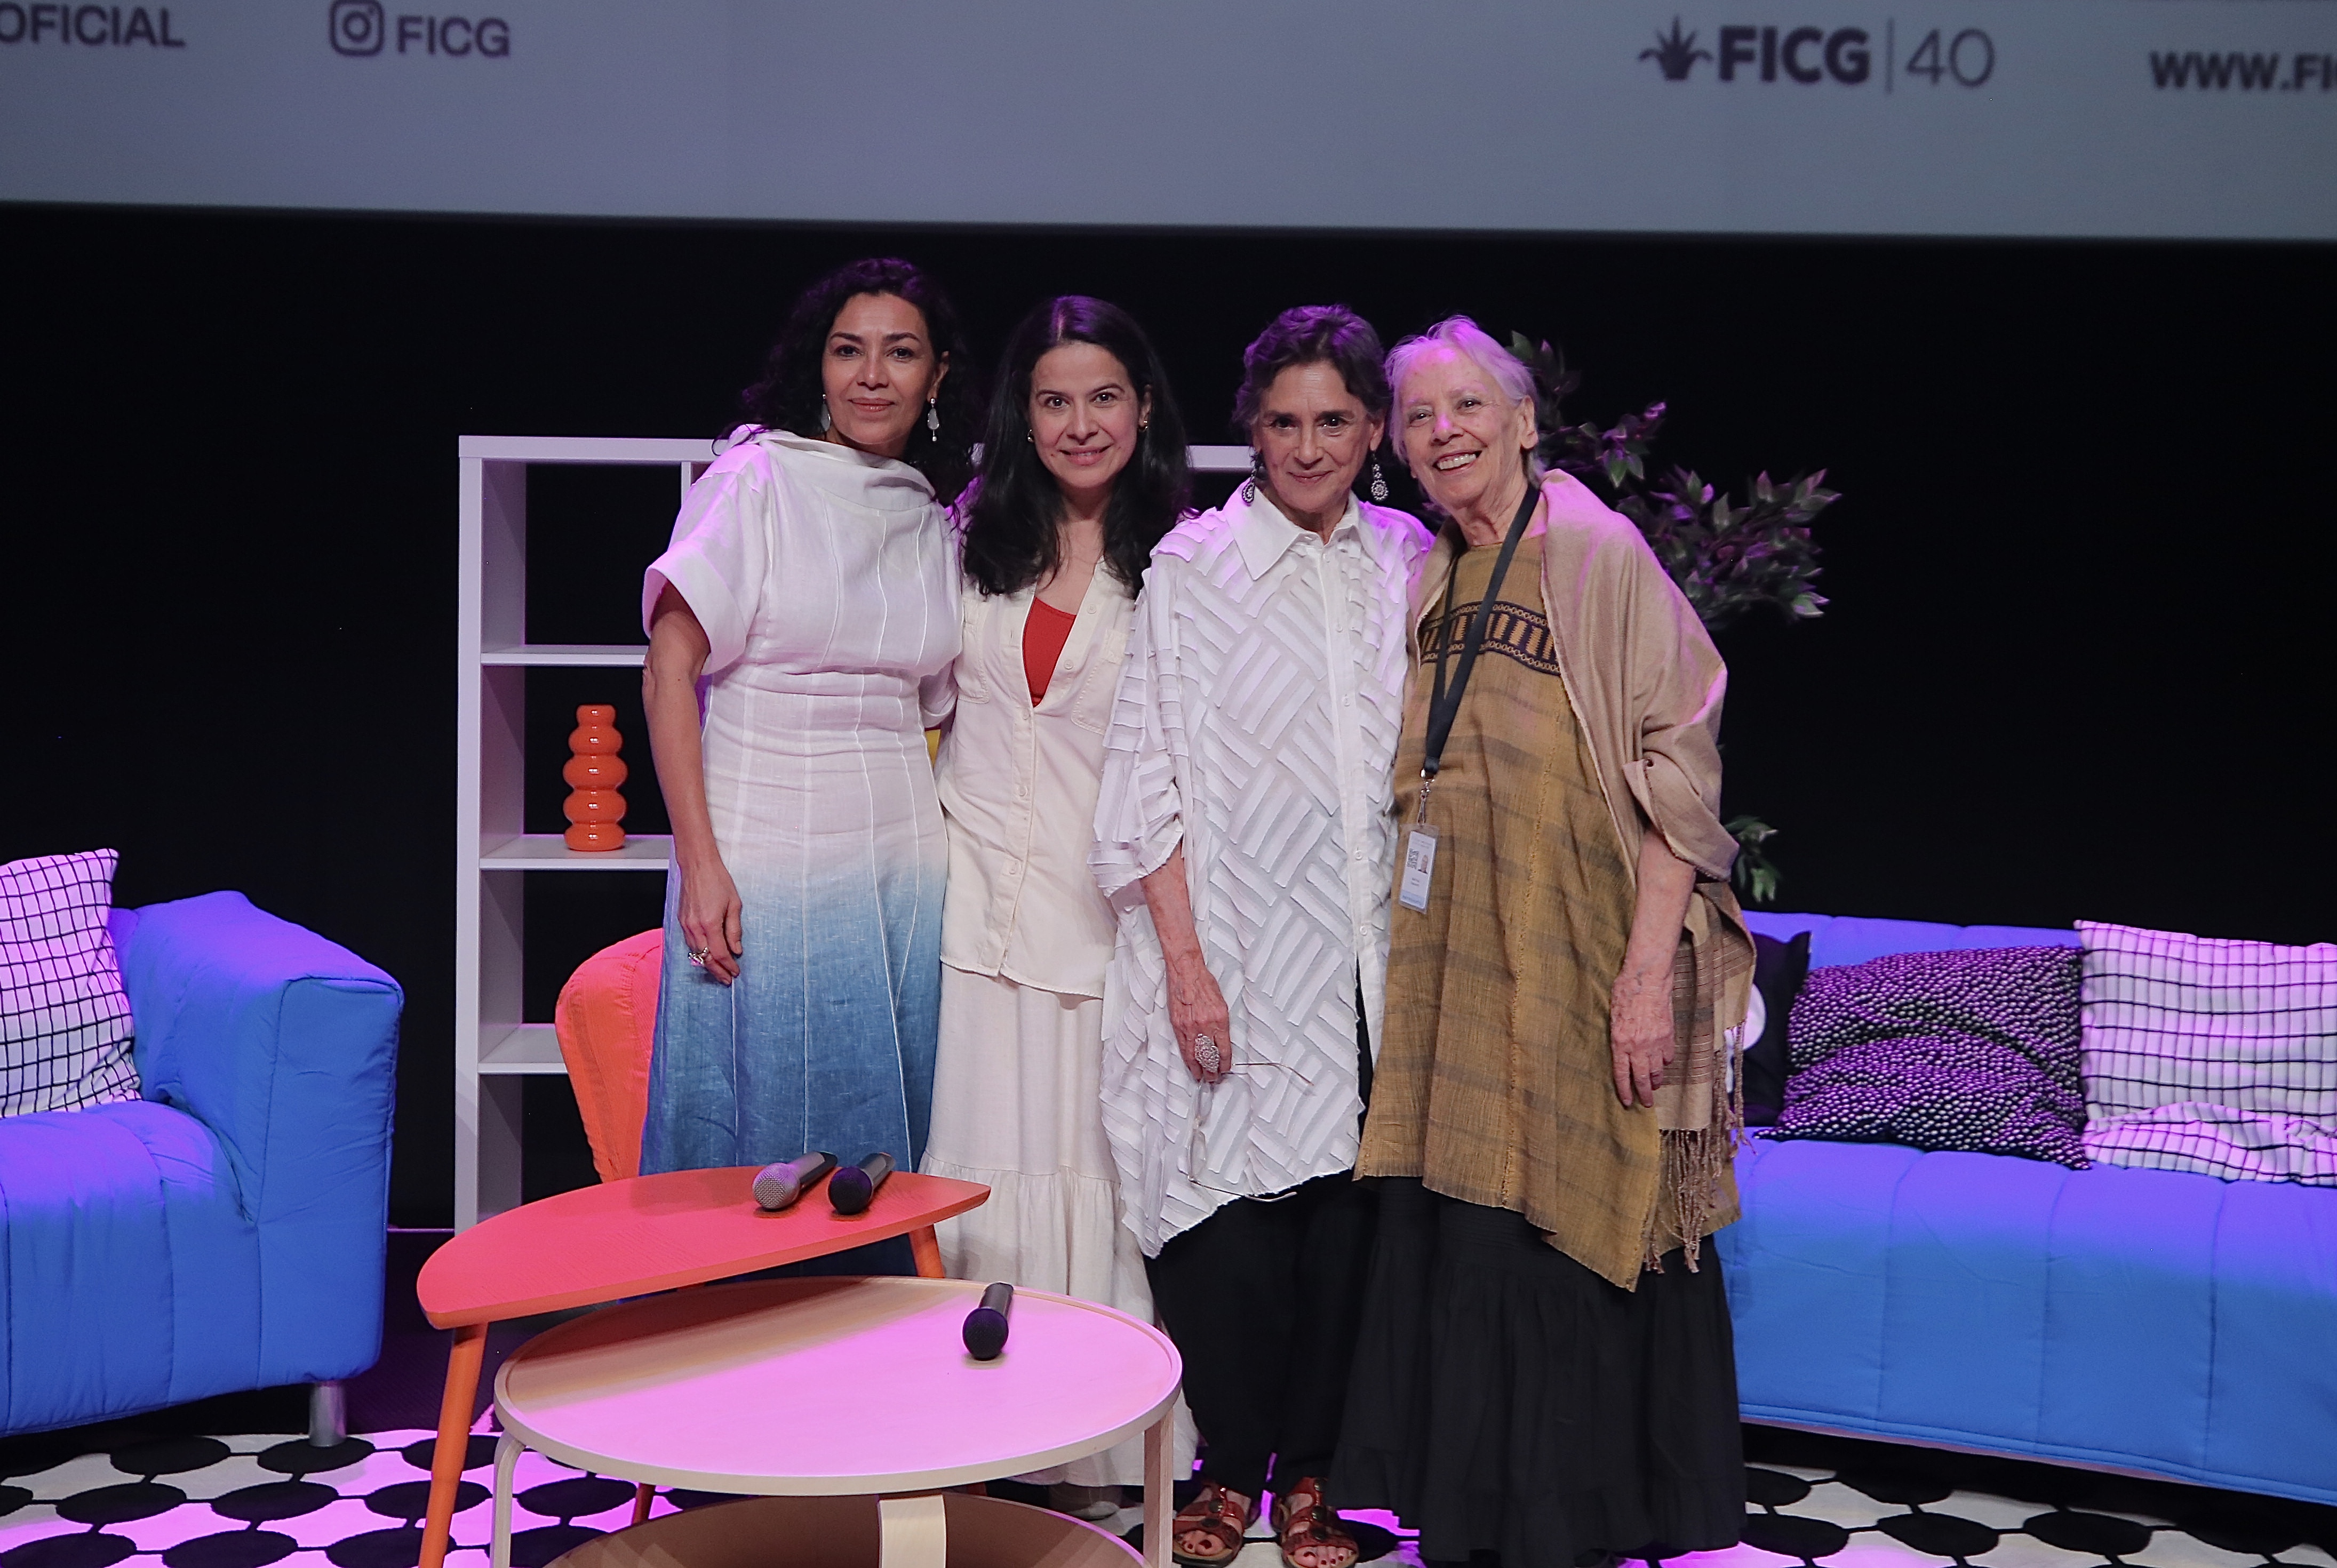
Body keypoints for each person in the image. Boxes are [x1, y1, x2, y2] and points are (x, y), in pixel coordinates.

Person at [1333, 317, 1756, 1568]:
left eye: (1468, 404)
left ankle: (1575, 1522)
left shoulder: (1595, 551)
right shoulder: (1437, 571)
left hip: (1588, 959)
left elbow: (1680, 766)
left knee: (1572, 1214)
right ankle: (1486, 1518)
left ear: (1524, 422)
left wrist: (1643, 982)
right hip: (1463, 970)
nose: (1443, 431)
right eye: (1418, 415)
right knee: (1477, 1222)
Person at [1092, 306, 1431, 1568]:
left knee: (1348, 1225)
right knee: (1225, 1221)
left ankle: (1318, 1479)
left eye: (1333, 421)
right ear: (1252, 428)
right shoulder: (1195, 566)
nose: (1308, 447)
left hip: (1374, 958)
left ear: (1373, 429)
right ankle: (1229, 1467)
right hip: (1229, 945)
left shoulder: (1409, 558)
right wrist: (1186, 967)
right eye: (1283, 422)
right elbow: (1146, 774)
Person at [921, 295, 1195, 1508]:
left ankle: (1094, 1441)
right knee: (978, 1176)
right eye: (1053, 401)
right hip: (971, 914)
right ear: (1020, 417)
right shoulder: (965, 539)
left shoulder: (1181, 562)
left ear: (1142, 409)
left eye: (1102, 398)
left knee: (1097, 1182)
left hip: (1106, 927)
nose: (1080, 424)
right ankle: (967, 1437)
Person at [637, 258, 978, 1226]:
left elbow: (935, 708)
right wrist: (701, 865)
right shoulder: (757, 480)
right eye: (847, 351)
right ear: (816, 367)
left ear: (937, 377)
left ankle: (877, 1313)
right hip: (767, 850)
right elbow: (668, 673)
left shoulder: (929, 517)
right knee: (761, 1136)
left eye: (899, 353)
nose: (871, 376)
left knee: (883, 1138)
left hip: (903, 867)